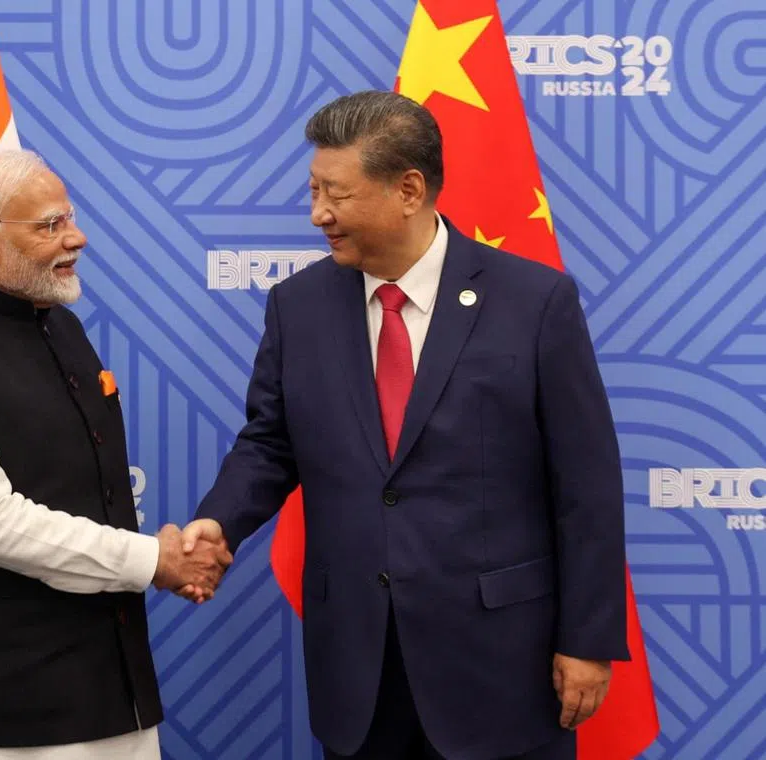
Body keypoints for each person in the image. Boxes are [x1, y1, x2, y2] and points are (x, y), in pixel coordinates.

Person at [180, 90, 629, 759]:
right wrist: (219, 522)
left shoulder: (535, 302)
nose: (318, 214)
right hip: (359, 666)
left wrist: (588, 640)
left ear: (409, 189)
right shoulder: (296, 307)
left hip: (502, 664)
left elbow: (586, 484)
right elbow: (271, 443)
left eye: (336, 193)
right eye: (313, 190)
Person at [0, 149, 230, 760]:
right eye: (51, 225)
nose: (77, 237)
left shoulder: (59, 323)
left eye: (70, 219)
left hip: (109, 687)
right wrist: (153, 559)